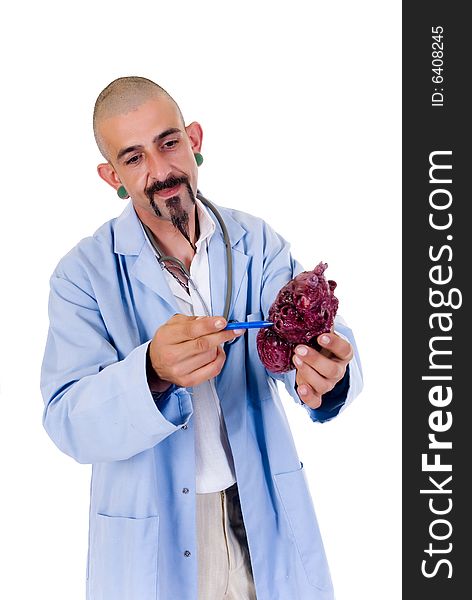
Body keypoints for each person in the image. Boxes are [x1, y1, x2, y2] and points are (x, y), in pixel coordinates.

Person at [40, 76, 363, 600]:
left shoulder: (254, 241)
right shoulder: (83, 275)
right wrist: (151, 371)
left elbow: (322, 333)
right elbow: (64, 418)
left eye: (168, 143)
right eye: (134, 158)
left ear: (194, 139)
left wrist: (331, 370)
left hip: (261, 514)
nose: (160, 171)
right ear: (111, 175)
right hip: (158, 530)